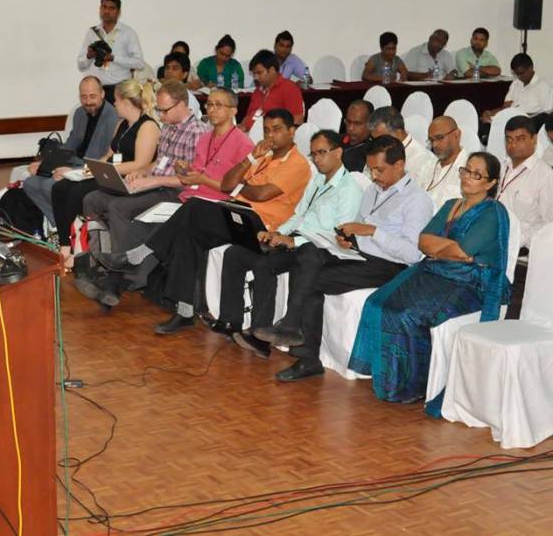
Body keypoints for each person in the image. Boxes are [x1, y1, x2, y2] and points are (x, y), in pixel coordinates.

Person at [97, 109, 309, 332]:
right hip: (237, 211)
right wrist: (250, 158)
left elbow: (261, 195)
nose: (270, 136)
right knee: (187, 234)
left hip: (260, 226)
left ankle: (138, 255)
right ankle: (185, 311)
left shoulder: (297, 163)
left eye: (277, 130)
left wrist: (239, 187)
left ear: (292, 131)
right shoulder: (262, 157)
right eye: (266, 130)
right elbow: (227, 183)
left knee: (194, 207)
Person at [253, 136, 434, 380]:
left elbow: (413, 254)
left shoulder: (417, 200)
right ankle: (302, 347)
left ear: (399, 165)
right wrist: (347, 239)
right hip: (358, 255)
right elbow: (358, 229)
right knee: (307, 254)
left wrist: (373, 232)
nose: (374, 176)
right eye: (371, 170)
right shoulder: (372, 191)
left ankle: (295, 335)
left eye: (380, 170)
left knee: (310, 280)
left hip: (391, 267)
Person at [348, 152, 511, 412]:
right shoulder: (450, 205)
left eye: (476, 174)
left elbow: (464, 251)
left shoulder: (493, 212)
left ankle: (413, 385)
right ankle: (390, 378)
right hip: (437, 271)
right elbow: (424, 241)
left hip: (471, 283)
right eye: (466, 171)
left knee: (407, 314)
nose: (468, 177)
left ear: (490, 183)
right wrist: (448, 249)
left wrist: (445, 250)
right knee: (378, 302)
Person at [216, 130, 363, 343]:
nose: (317, 159)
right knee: (235, 253)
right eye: (313, 154)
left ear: (338, 152)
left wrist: (294, 241)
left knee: (262, 263)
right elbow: (299, 215)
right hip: (298, 240)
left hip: (320, 250)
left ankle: (259, 335)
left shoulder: (349, 190)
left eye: (322, 152)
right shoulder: (318, 180)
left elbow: (337, 235)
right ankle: (230, 322)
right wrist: (277, 233)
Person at [77, 80, 210, 305]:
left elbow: (190, 179)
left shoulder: (197, 133)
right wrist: (141, 172)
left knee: (119, 208)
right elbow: (159, 161)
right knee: (94, 198)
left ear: (182, 105)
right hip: (156, 182)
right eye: (158, 109)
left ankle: (119, 276)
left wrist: (152, 179)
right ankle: (100, 263)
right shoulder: (169, 127)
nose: (160, 114)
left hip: (174, 191)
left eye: (164, 110)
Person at [51, 79, 159, 269]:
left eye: (116, 100)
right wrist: (84, 170)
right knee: (61, 187)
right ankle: (65, 244)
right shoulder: (122, 124)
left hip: (127, 178)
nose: (114, 104)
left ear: (126, 101)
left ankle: (80, 249)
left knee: (78, 192)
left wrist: (107, 170)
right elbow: (108, 155)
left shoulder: (147, 126)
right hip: (110, 173)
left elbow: (141, 163)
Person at [21, 76, 119, 226]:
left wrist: (75, 170)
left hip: (91, 167)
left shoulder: (113, 117)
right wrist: (44, 162)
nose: (88, 101)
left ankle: (67, 228)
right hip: (72, 161)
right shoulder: (80, 113)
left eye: (92, 96)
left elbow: (108, 157)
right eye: (83, 97)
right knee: (31, 183)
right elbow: (70, 144)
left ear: (102, 94)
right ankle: (60, 226)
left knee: (49, 186)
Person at [497, 116, 553, 249]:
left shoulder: (546, 176)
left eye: (520, 139)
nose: (513, 145)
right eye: (509, 139)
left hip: (519, 248)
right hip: (489, 238)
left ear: (534, 139)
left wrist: (517, 240)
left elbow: (548, 224)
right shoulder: (499, 167)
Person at [77, 0, 145, 100]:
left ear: (118, 12)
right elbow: (81, 65)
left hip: (119, 91)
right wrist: (89, 56)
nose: (106, 11)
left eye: (111, 8)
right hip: (96, 92)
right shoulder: (92, 33)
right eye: (104, 7)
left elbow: (139, 63)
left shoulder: (128, 33)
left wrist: (114, 58)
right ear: (100, 8)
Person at [367, 106, 437, 190]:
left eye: (381, 138)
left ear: (399, 132)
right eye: (374, 139)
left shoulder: (424, 161)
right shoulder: (377, 150)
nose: (377, 143)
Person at [239, 49, 304, 132]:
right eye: (254, 74)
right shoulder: (257, 91)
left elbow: (297, 121)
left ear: (272, 70)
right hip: (250, 135)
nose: (256, 77)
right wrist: (242, 126)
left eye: (259, 73)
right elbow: (249, 115)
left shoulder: (289, 88)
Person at [481, 54, 552, 123]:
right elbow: (506, 107)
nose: (520, 76)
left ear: (531, 68)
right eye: (517, 74)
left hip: (528, 124)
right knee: (482, 123)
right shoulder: (515, 84)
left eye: (522, 73)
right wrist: (490, 113)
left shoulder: (542, 86)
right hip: (510, 120)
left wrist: (521, 115)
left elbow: (547, 113)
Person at [424, 116, 469, 208]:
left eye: (439, 138)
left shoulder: (469, 169)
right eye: (431, 140)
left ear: (457, 134)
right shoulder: (427, 165)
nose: (434, 145)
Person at [157, 51, 201, 116]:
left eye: (175, 68)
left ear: (184, 74)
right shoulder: (158, 93)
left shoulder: (189, 99)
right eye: (167, 68)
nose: (169, 71)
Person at [342, 100, 373, 172]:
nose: (350, 128)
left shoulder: (372, 151)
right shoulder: (336, 140)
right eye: (348, 122)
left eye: (357, 123)